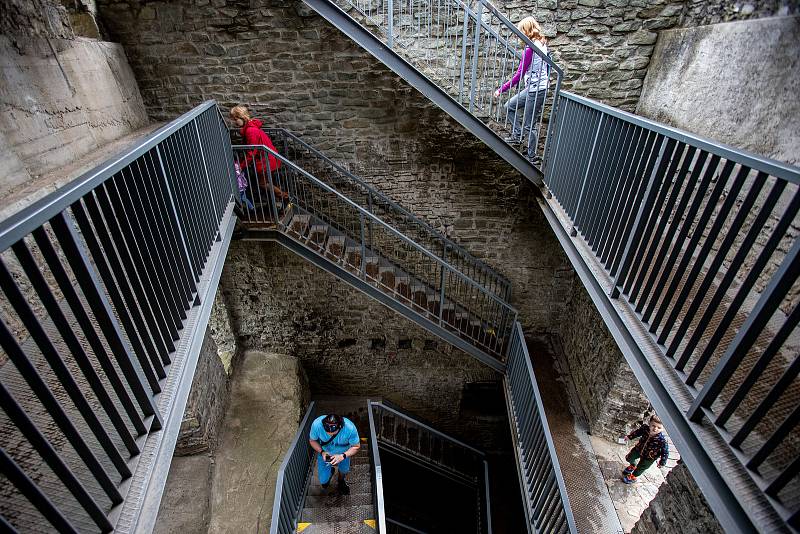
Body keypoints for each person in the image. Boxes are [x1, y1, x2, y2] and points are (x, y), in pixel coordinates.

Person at [493, 16, 550, 163]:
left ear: (526, 31)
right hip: (534, 87)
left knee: (529, 125)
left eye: (521, 31)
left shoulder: (530, 49)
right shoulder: (542, 43)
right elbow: (548, 66)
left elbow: (519, 75)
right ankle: (517, 135)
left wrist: (501, 89)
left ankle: (532, 156)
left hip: (536, 90)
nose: (520, 35)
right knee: (509, 106)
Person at [229, 105, 287, 212]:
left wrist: (241, 166)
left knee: (263, 183)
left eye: (235, 119)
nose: (234, 122)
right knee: (266, 183)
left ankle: (285, 197)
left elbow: (252, 151)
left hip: (266, 161)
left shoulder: (250, 131)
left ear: (241, 117)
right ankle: (272, 206)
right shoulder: (251, 128)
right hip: (266, 159)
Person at [308, 413, 361, 495]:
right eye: (327, 432)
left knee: (344, 470)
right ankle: (331, 471)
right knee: (323, 482)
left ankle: (341, 481)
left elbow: (356, 446)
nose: (330, 434)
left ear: (340, 427)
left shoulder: (350, 428)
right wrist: (322, 452)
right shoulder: (317, 424)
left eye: (333, 433)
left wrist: (342, 456)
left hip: (343, 453)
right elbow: (312, 440)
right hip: (325, 453)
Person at [620, 415, 669, 484]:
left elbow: (665, 452)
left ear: (663, 428)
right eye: (653, 426)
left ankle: (633, 476)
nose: (655, 429)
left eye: (659, 427)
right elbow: (637, 433)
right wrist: (629, 437)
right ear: (649, 423)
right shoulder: (645, 429)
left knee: (641, 467)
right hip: (639, 449)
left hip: (649, 457)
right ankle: (632, 465)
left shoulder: (662, 441)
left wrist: (662, 462)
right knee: (629, 457)